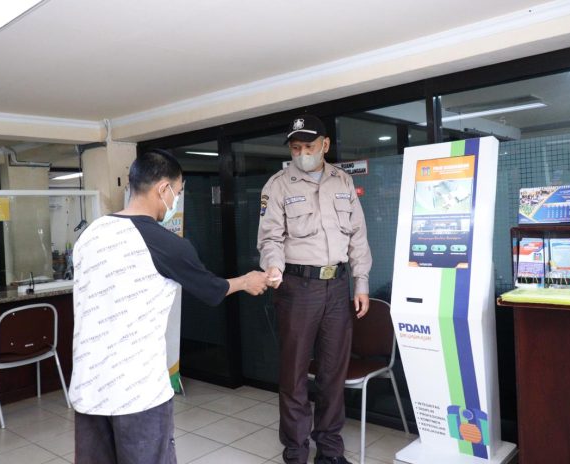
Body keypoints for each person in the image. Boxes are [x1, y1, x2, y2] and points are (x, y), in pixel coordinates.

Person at [71, 149, 269, 464]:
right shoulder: (165, 243)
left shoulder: (90, 234)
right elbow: (211, 289)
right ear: (163, 189)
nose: (176, 200)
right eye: (177, 192)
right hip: (138, 392)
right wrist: (246, 281)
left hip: (88, 386)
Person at [257, 115, 372, 464]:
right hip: (297, 287)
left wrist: (361, 282)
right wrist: (273, 266)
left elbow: (358, 236)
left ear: (325, 145)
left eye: (308, 146)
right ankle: (295, 452)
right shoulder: (277, 185)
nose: (302, 153)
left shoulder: (343, 181)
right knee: (294, 375)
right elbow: (270, 238)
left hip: (337, 286)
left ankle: (330, 452)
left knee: (332, 374)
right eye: (295, 148)